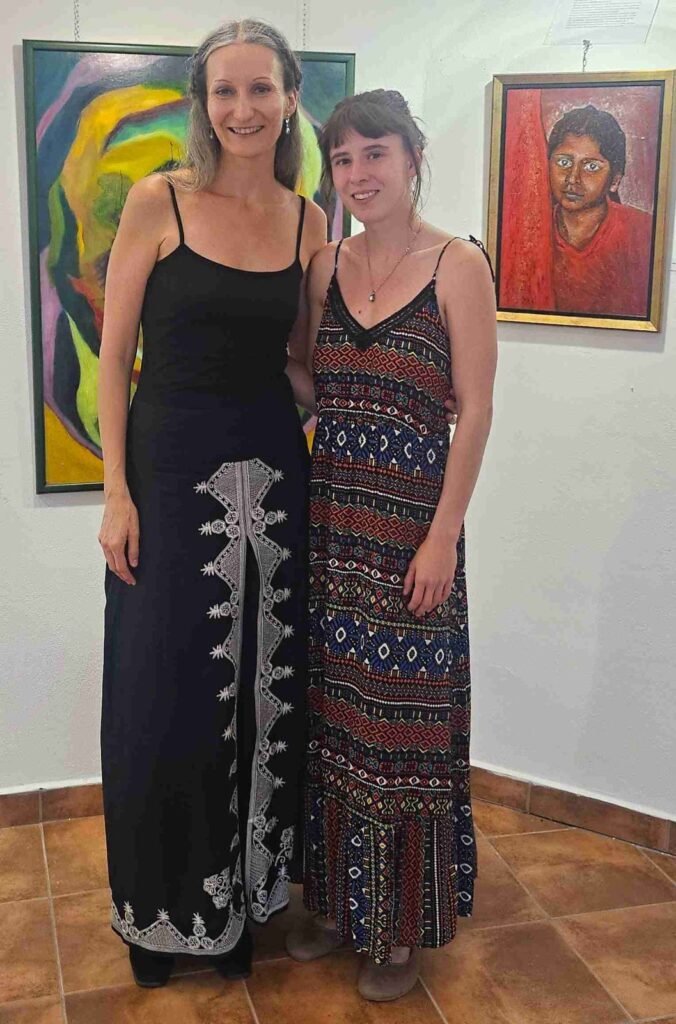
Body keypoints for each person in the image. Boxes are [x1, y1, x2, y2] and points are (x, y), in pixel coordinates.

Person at [97, 18, 326, 987]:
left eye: (260, 88)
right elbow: (114, 355)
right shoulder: (160, 201)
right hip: (167, 477)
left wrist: (389, 393)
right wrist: (114, 490)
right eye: (224, 91)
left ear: (289, 98)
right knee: (163, 694)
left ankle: (245, 906)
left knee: (267, 695)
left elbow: (302, 366)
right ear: (203, 102)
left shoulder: (310, 220)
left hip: (275, 482)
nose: (242, 108)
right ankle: (164, 918)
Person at [285, 89, 497, 1000]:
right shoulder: (324, 267)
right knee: (336, 721)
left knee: (400, 729)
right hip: (335, 530)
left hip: (413, 535)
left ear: (412, 156)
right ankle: (339, 904)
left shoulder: (458, 264)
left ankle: (399, 928)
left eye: (375, 153)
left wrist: (443, 537)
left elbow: (476, 410)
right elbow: (309, 378)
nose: (358, 173)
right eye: (343, 159)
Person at [499, 99, 653, 318]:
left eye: (591, 166)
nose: (573, 178)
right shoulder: (526, 235)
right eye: (564, 162)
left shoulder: (644, 233)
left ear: (615, 180)